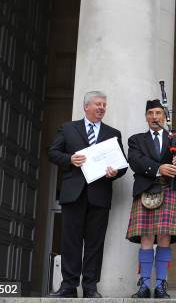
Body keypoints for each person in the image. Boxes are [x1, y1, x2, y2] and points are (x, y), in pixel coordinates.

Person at [48, 91, 127, 298]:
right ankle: (68, 286)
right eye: (98, 104)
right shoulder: (68, 128)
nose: (101, 108)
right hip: (74, 194)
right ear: (86, 107)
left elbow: (122, 166)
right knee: (70, 241)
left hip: (99, 195)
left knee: (95, 243)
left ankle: (90, 287)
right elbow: (53, 153)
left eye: (104, 105)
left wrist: (115, 172)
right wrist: (70, 159)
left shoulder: (113, 133)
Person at [126, 99, 176, 298]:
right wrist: (158, 168)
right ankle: (145, 285)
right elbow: (135, 161)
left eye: (158, 113)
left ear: (165, 116)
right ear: (146, 117)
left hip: (170, 190)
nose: (154, 117)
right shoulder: (136, 139)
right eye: (150, 114)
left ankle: (162, 285)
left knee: (164, 237)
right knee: (146, 237)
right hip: (147, 189)